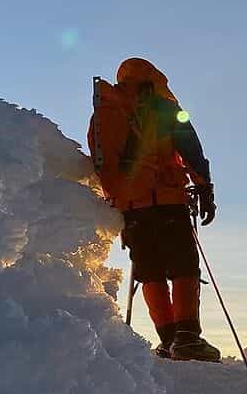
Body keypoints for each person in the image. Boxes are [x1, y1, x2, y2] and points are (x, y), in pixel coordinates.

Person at [88, 56, 221, 361]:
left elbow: (101, 159)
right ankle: (187, 337)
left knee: (150, 271)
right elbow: (191, 150)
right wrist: (204, 188)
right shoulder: (165, 109)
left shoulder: (105, 112)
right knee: (183, 264)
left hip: (131, 208)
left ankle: (168, 338)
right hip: (167, 199)